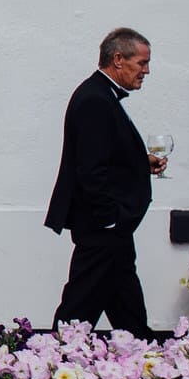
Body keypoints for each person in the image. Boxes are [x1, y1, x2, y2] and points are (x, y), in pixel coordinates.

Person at [45, 27, 164, 337]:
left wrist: (141, 163)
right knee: (79, 306)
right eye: (142, 63)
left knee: (127, 308)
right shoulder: (94, 99)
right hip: (102, 228)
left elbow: (106, 155)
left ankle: (143, 353)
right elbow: (90, 169)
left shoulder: (101, 95)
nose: (146, 71)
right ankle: (53, 362)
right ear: (118, 59)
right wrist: (110, 219)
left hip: (113, 229)